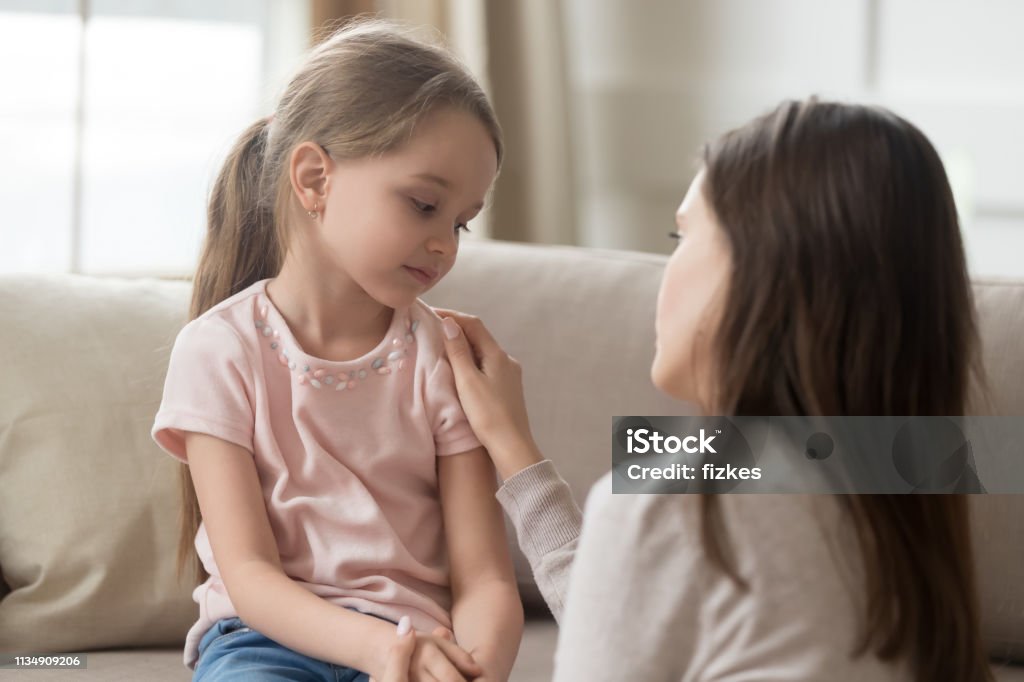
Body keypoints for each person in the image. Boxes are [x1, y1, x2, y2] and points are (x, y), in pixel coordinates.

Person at [381, 99, 995, 680]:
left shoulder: (679, 499)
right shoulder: (915, 480)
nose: (665, 273)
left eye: (682, 239)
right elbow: (637, 618)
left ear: (763, 273)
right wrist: (515, 449)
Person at [151, 19, 523, 682]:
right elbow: (251, 575)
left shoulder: (443, 356)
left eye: (461, 221)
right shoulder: (219, 351)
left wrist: (478, 669)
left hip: (417, 644)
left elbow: (486, 579)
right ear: (315, 178)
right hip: (260, 641)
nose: (446, 244)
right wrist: (376, 650)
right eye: (424, 204)